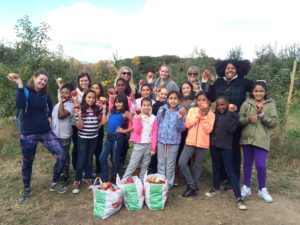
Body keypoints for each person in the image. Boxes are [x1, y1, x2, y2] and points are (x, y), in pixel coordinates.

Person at [7, 71, 67, 204]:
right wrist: (20, 84)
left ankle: (55, 183)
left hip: (45, 131)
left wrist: (50, 117)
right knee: (28, 161)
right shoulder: (25, 91)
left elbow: (50, 108)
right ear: (34, 78)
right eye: (41, 79)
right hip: (28, 133)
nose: (43, 82)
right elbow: (20, 104)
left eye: (45, 80)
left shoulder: (45, 95)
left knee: (62, 155)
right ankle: (26, 188)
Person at [207, 59, 253, 187]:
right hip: (219, 122)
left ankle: (234, 179)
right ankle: (222, 176)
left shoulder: (243, 81)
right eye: (228, 68)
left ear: (237, 69)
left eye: (232, 68)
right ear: (223, 70)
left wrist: (253, 106)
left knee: (234, 150)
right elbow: (210, 97)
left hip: (234, 122)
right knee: (220, 148)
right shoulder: (219, 81)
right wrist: (211, 84)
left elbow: (257, 90)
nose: (230, 70)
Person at [205, 96, 247, 210]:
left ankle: (238, 196)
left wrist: (231, 113)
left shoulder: (233, 115)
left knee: (230, 170)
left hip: (226, 147)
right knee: (216, 167)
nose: (221, 107)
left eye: (223, 104)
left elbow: (231, 129)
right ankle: (215, 188)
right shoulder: (214, 115)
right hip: (214, 145)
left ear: (228, 104)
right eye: (218, 105)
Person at [239, 81, 278, 203]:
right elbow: (240, 120)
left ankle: (262, 190)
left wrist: (261, 114)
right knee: (247, 163)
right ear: (252, 92)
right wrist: (247, 120)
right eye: (256, 91)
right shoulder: (247, 103)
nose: (258, 93)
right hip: (247, 139)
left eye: (261, 91)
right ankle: (246, 187)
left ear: (265, 92)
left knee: (261, 165)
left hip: (262, 139)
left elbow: (274, 123)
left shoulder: (270, 104)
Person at [179, 92, 215, 197]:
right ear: (196, 101)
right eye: (199, 100)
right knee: (182, 162)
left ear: (208, 101)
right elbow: (187, 124)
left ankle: (192, 188)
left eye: (204, 100)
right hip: (190, 142)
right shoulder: (192, 110)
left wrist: (204, 117)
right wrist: (198, 115)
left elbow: (209, 130)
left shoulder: (211, 114)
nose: (201, 102)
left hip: (202, 143)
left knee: (197, 166)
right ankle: (193, 185)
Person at [56, 72, 92, 171]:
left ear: (89, 81)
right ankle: (77, 168)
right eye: (81, 80)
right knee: (77, 146)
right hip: (76, 123)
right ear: (78, 82)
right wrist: (60, 87)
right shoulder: (74, 92)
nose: (84, 82)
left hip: (89, 123)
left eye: (85, 80)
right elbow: (63, 98)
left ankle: (86, 167)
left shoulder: (91, 92)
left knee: (87, 147)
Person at [72, 90, 103, 194]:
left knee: (89, 158)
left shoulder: (97, 109)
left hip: (94, 138)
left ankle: (88, 178)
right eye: (89, 97)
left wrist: (96, 128)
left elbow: (103, 121)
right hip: (83, 138)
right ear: (85, 98)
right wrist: (79, 115)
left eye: (93, 97)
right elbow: (79, 127)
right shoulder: (80, 109)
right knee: (81, 159)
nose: (91, 99)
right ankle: (77, 180)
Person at [100, 93, 132, 183]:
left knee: (115, 159)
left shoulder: (126, 113)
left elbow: (136, 124)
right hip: (109, 138)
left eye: (120, 102)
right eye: (116, 102)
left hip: (118, 138)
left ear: (124, 103)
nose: (118, 104)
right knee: (102, 158)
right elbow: (103, 122)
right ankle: (105, 179)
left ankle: (115, 179)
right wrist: (104, 109)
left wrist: (125, 131)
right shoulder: (111, 110)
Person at [123, 97, 158, 180]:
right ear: (141, 106)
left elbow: (154, 133)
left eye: (148, 105)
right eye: (144, 105)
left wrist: (153, 148)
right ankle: (124, 181)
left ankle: (142, 181)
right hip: (139, 144)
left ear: (151, 106)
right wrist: (138, 120)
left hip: (149, 145)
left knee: (145, 164)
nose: (146, 107)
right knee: (133, 164)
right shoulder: (137, 117)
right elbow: (137, 131)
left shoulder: (154, 118)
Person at [157, 91, 185, 187]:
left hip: (174, 142)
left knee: (170, 164)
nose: (173, 101)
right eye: (171, 98)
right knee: (161, 163)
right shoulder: (162, 109)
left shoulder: (180, 112)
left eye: (175, 98)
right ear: (167, 99)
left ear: (179, 100)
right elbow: (157, 123)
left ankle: (168, 183)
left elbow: (181, 129)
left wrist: (180, 118)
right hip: (161, 141)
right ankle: (161, 181)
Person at [51, 83, 75, 185]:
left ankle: (65, 176)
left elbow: (61, 115)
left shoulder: (71, 105)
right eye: (62, 92)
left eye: (67, 93)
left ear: (71, 95)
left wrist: (61, 102)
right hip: (56, 134)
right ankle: (60, 173)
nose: (64, 94)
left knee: (64, 156)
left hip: (64, 135)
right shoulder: (60, 103)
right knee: (59, 156)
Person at [175, 81, 196, 185]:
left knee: (189, 151)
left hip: (191, 129)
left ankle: (187, 173)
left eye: (188, 88)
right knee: (179, 150)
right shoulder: (178, 101)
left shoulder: (194, 100)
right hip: (180, 129)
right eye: (183, 88)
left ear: (191, 89)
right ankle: (177, 174)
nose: (186, 90)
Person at [149, 87, 168, 173]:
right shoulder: (155, 105)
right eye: (162, 94)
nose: (163, 96)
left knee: (161, 152)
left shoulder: (168, 106)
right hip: (155, 130)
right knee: (154, 149)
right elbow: (153, 115)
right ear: (158, 94)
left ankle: (159, 169)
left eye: (165, 94)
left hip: (163, 132)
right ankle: (152, 167)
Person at [91, 83, 105, 176]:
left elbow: (104, 115)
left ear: (100, 90)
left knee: (98, 148)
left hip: (99, 128)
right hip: (89, 129)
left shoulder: (102, 101)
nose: (95, 89)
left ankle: (99, 167)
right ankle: (89, 167)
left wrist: (98, 126)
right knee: (90, 148)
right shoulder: (89, 100)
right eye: (93, 88)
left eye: (97, 88)